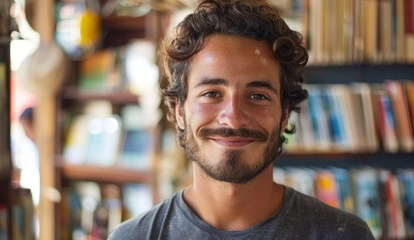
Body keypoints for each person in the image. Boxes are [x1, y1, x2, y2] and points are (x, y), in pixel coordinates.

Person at [109, 0, 374, 239]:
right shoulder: (133, 237)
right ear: (180, 111)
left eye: (257, 96)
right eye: (212, 93)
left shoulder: (345, 235)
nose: (233, 118)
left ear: (283, 115)